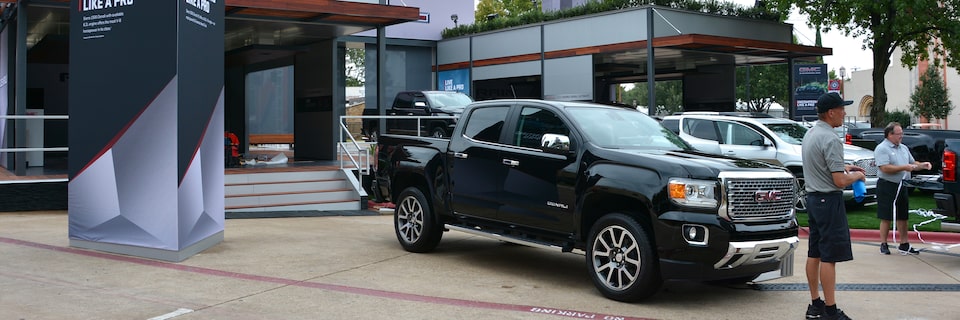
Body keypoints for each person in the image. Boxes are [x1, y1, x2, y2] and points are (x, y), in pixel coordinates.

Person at [802, 92, 865, 320]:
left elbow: (823, 164)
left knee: (815, 252)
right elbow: (838, 181)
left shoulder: (811, 134)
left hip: (813, 200)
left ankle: (815, 304)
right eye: (841, 109)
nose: (844, 113)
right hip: (828, 201)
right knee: (830, 257)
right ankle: (830, 310)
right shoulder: (830, 138)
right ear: (831, 113)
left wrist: (844, 166)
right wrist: (857, 177)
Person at [874, 122, 932, 255]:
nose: (901, 136)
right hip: (887, 185)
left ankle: (904, 243)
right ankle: (883, 243)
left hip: (902, 185)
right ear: (890, 134)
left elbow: (912, 163)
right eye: (899, 134)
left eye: (902, 133)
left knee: (903, 216)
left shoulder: (903, 148)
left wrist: (922, 165)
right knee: (886, 215)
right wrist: (903, 168)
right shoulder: (882, 148)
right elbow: (884, 168)